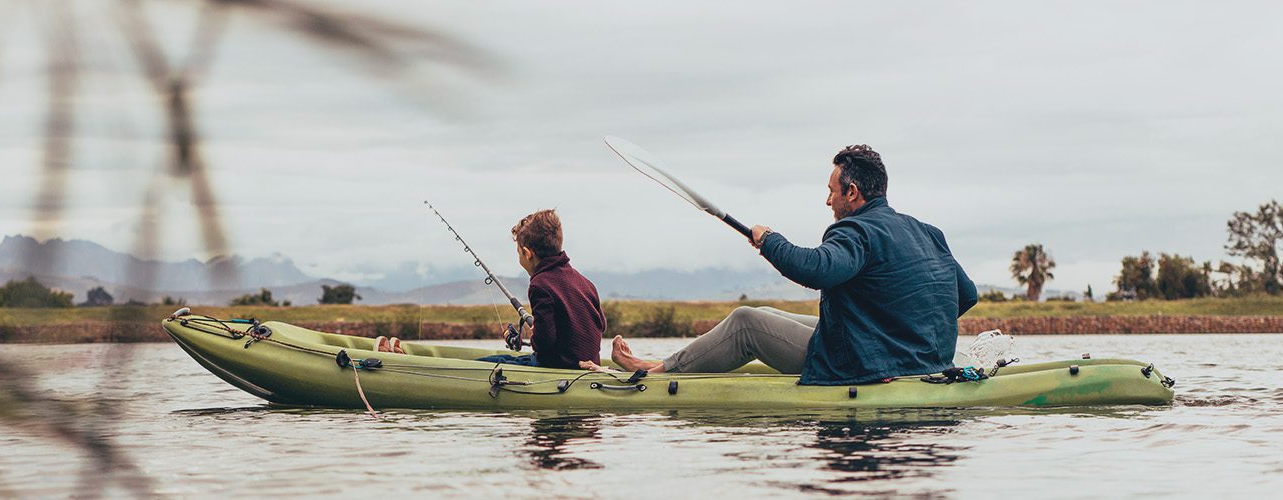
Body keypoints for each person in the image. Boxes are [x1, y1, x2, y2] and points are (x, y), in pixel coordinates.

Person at [611, 145, 979, 385]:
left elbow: (816, 269)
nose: (828, 200)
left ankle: (654, 373)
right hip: (921, 359)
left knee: (746, 321)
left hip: (868, 365)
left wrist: (769, 240)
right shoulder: (927, 231)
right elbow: (966, 295)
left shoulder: (856, 231)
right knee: (771, 312)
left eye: (832, 191)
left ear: (852, 193)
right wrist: (904, 333)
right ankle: (670, 360)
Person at [379, 209, 607, 370]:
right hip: (585, 364)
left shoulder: (541, 284)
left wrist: (535, 333)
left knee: (481, 365)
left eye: (518, 252)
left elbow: (545, 344)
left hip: (556, 368)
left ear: (527, 253)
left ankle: (406, 366)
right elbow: (599, 326)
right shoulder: (585, 282)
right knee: (499, 359)